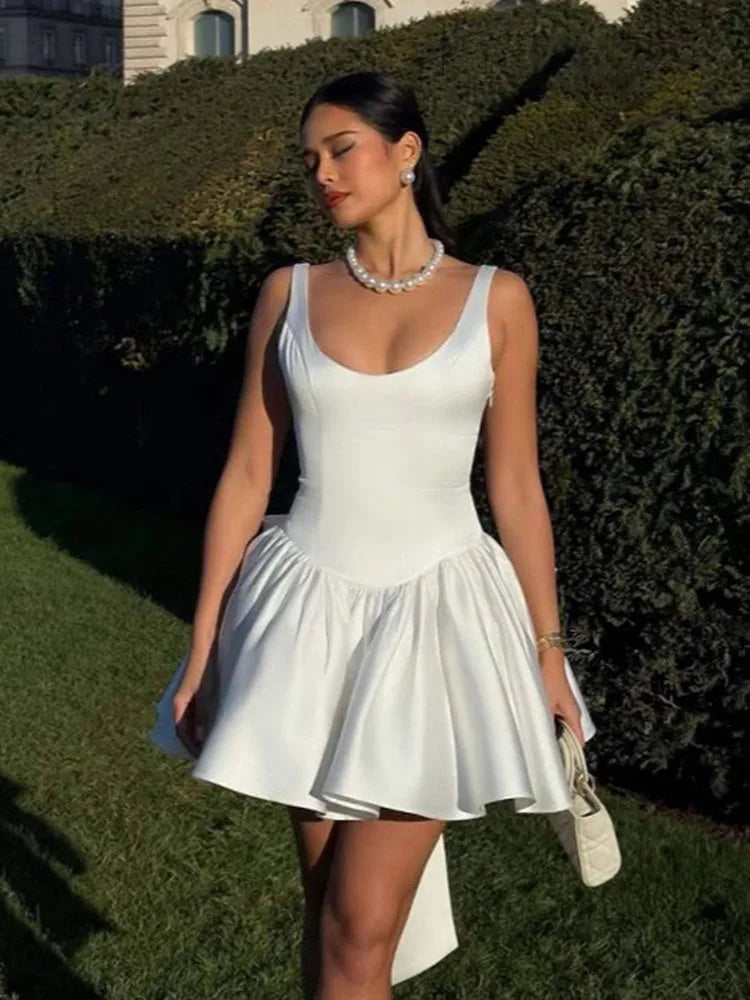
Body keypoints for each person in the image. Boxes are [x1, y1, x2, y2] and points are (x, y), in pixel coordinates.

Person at [149, 70, 597, 1000]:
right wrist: (201, 651)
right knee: (330, 927)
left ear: (406, 152)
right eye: (309, 159)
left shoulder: (497, 299)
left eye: (341, 149)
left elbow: (515, 487)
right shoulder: (289, 295)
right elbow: (245, 476)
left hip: (439, 624)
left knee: (357, 933)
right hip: (302, 621)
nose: (321, 174)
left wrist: (548, 653)